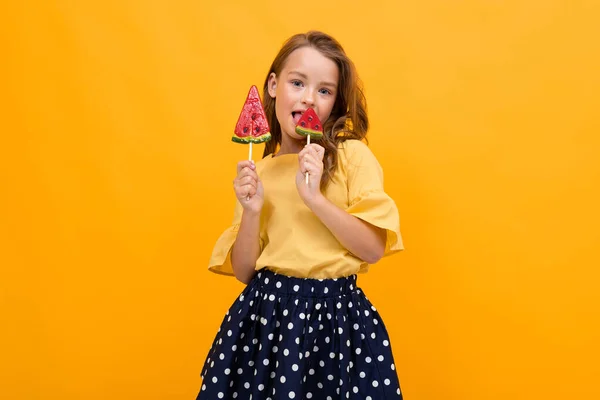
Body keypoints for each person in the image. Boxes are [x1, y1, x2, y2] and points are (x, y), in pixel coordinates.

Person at [196, 30, 404, 399]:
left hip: (338, 322)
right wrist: (251, 210)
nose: (309, 97)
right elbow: (245, 272)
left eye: (324, 91)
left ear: (335, 102)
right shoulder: (257, 174)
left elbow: (372, 249)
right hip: (266, 322)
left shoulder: (352, 156)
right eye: (297, 82)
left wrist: (315, 198)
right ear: (274, 86)